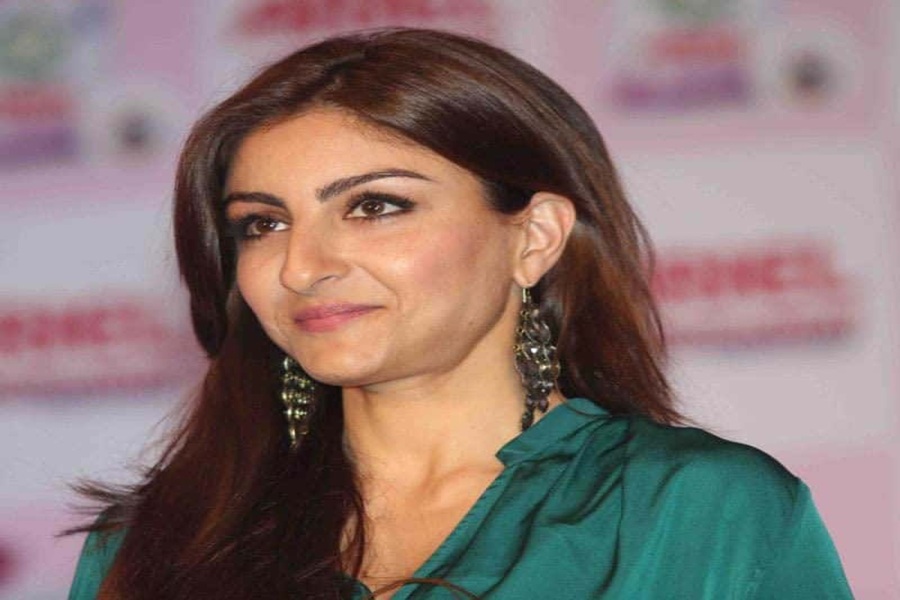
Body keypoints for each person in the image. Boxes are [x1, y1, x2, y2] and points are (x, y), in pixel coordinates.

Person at [68, 28, 852, 599]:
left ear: (534, 237)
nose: (302, 266)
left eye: (375, 206)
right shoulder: (156, 543)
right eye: (262, 224)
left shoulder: (694, 512)